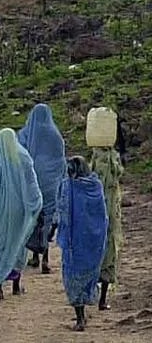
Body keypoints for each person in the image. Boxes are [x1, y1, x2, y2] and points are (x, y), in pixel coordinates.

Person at [0, 128, 43, 300]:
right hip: (18, 211)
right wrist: (36, 203)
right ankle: (16, 286)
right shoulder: (23, 157)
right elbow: (32, 183)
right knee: (16, 244)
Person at [58, 155, 110, 330]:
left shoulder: (68, 187)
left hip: (74, 242)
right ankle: (89, 307)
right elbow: (103, 214)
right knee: (89, 274)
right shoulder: (96, 186)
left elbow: (62, 212)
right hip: (94, 241)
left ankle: (80, 318)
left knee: (73, 277)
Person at [21, 102, 67, 275]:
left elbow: (20, 155)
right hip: (51, 185)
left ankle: (34, 255)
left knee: (34, 218)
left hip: (34, 183)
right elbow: (62, 161)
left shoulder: (27, 134)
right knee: (48, 219)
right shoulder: (55, 135)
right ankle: (46, 259)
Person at [88, 107, 123, 311]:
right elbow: (117, 176)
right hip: (110, 212)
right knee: (109, 251)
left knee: (94, 250)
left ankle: (91, 292)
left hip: (94, 213)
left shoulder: (95, 159)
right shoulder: (113, 159)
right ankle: (102, 299)